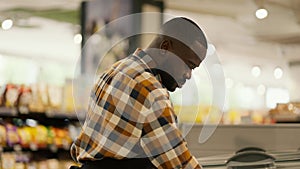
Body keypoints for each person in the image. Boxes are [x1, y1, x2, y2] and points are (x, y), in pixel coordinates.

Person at [70, 17, 208, 169]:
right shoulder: (151, 91)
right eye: (189, 65)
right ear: (164, 48)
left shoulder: (114, 70)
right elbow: (178, 163)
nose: (188, 75)